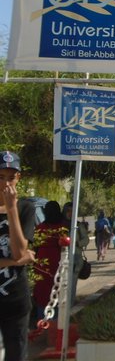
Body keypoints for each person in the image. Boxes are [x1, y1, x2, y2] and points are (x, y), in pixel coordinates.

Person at [0, 151, 36, 361]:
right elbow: (20, 257)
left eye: (11, 177)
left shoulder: (25, 208)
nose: (6, 183)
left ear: (18, 178)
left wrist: (12, 209)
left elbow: (19, 251)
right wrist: (16, 261)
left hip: (16, 301)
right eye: (1, 177)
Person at [33, 201, 64, 319]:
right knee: (58, 290)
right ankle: (56, 321)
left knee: (42, 292)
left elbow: (34, 247)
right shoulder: (63, 228)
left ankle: (43, 321)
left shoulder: (40, 228)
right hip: (58, 263)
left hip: (41, 264)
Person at [62, 202, 89, 306]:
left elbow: (86, 239)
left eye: (72, 211)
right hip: (62, 260)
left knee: (72, 285)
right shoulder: (60, 225)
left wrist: (78, 243)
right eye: (68, 211)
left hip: (75, 260)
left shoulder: (77, 225)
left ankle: (70, 306)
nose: (70, 213)